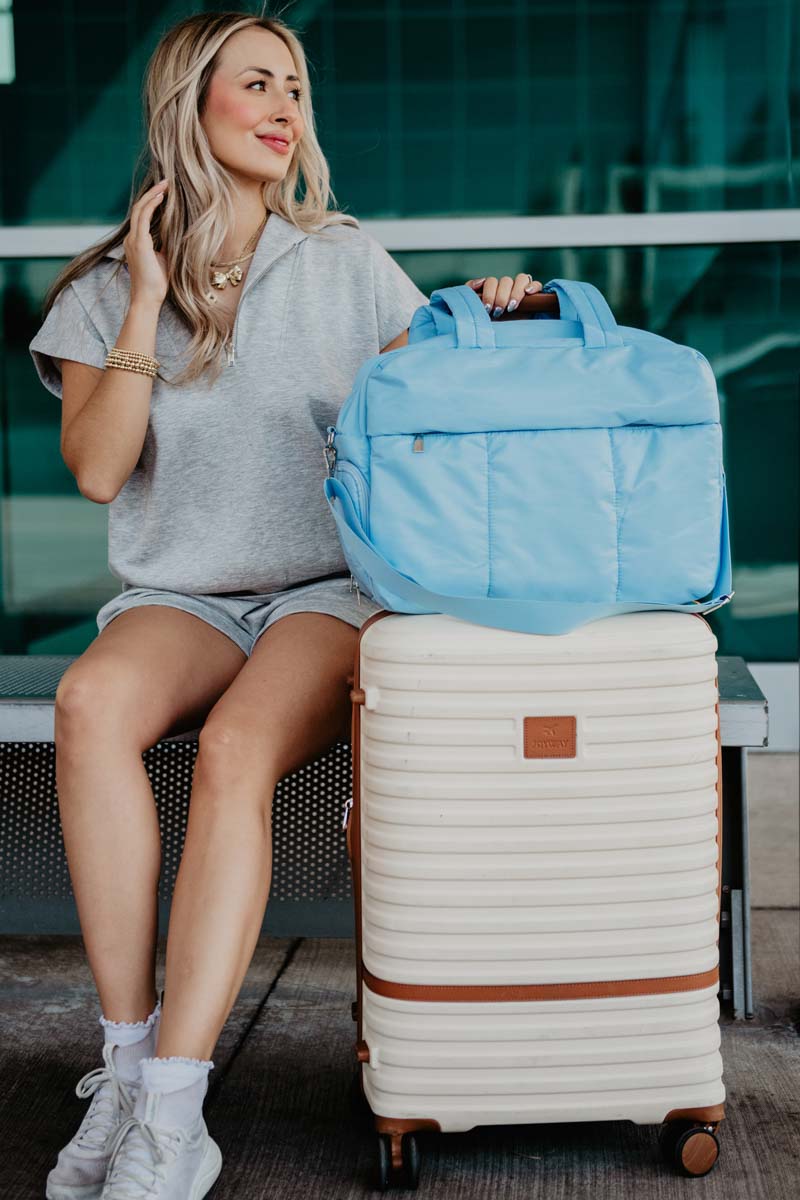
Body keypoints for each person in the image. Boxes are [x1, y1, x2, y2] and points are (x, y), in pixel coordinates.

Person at [28, 9, 543, 1198]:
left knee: (236, 749)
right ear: (188, 107)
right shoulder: (108, 290)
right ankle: (122, 1066)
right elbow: (102, 470)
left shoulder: (346, 262)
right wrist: (150, 296)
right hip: (189, 594)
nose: (283, 108)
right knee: (92, 700)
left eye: (295, 89)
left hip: (329, 589)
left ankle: (175, 1103)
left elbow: (439, 381)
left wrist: (492, 312)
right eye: (254, 83)